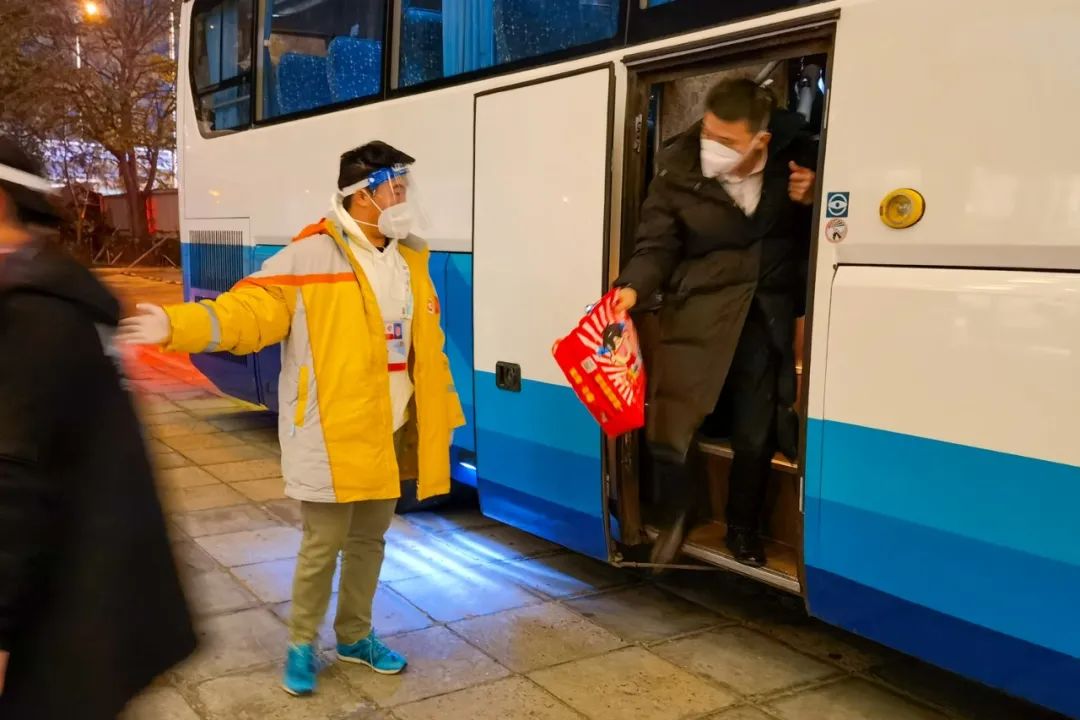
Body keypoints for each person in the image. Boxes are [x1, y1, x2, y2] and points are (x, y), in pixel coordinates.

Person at [119, 141, 465, 696]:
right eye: (394, 189)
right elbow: (247, 312)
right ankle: (302, 644)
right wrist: (177, 326)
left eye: (404, 188)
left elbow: (427, 345)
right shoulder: (309, 258)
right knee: (322, 546)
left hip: (390, 426)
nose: (403, 199)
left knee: (370, 541)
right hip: (331, 430)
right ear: (362, 196)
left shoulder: (409, 261)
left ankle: (355, 637)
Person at [0, 137, 196, 719]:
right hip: (95, 595)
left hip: (58, 615)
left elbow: (14, 481)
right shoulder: (61, 293)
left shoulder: (30, 312)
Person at [614, 78, 817, 568]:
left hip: (763, 313)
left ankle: (743, 529)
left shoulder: (799, 159)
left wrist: (816, 196)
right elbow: (656, 244)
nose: (712, 147)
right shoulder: (677, 168)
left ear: (761, 140)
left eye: (727, 141)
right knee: (676, 419)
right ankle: (677, 512)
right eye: (708, 133)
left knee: (756, 429)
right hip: (698, 310)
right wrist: (631, 289)